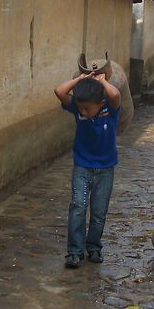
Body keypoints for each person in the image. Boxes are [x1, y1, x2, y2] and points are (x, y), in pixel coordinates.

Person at [54, 69, 122, 268]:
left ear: (100, 104)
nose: (83, 112)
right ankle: (74, 251)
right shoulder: (77, 108)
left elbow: (115, 94)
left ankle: (94, 247)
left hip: (105, 169)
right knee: (78, 206)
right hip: (82, 166)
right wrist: (80, 80)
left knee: (99, 211)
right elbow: (59, 91)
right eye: (81, 108)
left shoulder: (110, 109)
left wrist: (102, 82)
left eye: (87, 109)